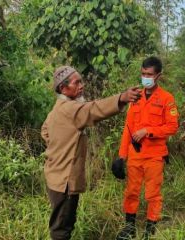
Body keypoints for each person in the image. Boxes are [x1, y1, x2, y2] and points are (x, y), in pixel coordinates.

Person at [41, 66, 141, 240]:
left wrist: (59, 146)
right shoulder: (70, 109)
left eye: (81, 81)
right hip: (65, 181)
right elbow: (93, 109)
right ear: (64, 88)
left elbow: (45, 132)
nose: (82, 85)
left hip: (55, 177)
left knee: (63, 224)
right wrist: (122, 98)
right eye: (76, 82)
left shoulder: (56, 110)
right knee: (61, 230)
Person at [114, 57, 179, 240]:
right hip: (135, 155)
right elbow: (127, 129)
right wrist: (121, 156)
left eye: (149, 74)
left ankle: (150, 230)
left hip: (154, 156)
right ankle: (129, 227)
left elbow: (172, 127)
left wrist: (148, 131)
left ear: (158, 75)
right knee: (131, 192)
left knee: (153, 194)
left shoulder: (167, 99)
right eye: (143, 74)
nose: (145, 78)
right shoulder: (135, 97)